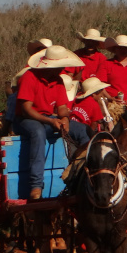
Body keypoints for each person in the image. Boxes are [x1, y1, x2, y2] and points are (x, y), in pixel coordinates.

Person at [14, 46, 86, 199]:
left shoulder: (58, 81)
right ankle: (36, 185)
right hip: (26, 120)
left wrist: (65, 119)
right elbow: (26, 109)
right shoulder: (29, 77)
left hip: (48, 119)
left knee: (83, 131)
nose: (62, 69)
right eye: (59, 66)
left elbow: (62, 108)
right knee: (38, 132)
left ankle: (83, 175)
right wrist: (51, 121)